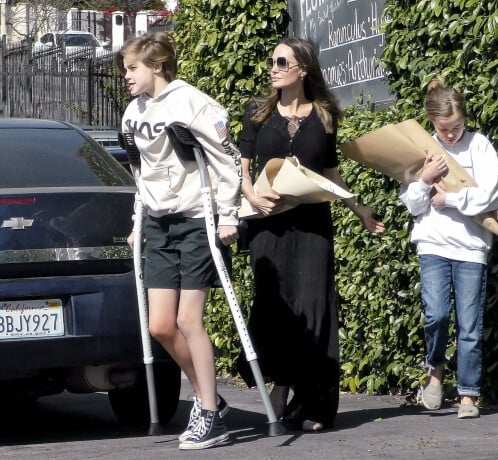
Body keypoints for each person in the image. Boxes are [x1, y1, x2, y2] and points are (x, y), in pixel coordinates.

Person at [236, 37, 385, 432]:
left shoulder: (324, 115)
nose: (274, 67)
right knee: (276, 306)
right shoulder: (257, 113)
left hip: (313, 223)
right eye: (271, 61)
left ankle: (315, 404)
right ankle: (282, 391)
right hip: (269, 223)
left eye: (282, 61)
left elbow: (331, 174)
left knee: (316, 309)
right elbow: (243, 168)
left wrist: (359, 208)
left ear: (302, 69)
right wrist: (252, 197)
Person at [116, 32, 241, 449]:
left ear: (156, 65)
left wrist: (229, 214)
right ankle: (212, 398)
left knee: (190, 321)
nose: (126, 77)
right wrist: (138, 222)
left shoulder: (193, 103)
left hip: (196, 220)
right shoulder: (132, 113)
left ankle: (207, 411)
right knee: (161, 326)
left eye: (132, 68)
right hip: (159, 224)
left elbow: (228, 158)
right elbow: (140, 173)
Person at [399, 76, 498, 419]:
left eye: (456, 127)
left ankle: (469, 394)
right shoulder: (422, 149)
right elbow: (413, 205)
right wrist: (425, 179)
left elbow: (492, 195)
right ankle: (435, 371)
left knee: (470, 325)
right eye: (444, 129)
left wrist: (451, 198)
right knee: (437, 314)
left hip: (471, 247)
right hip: (432, 243)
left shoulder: (479, 146)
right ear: (432, 122)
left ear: (464, 119)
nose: (450, 135)